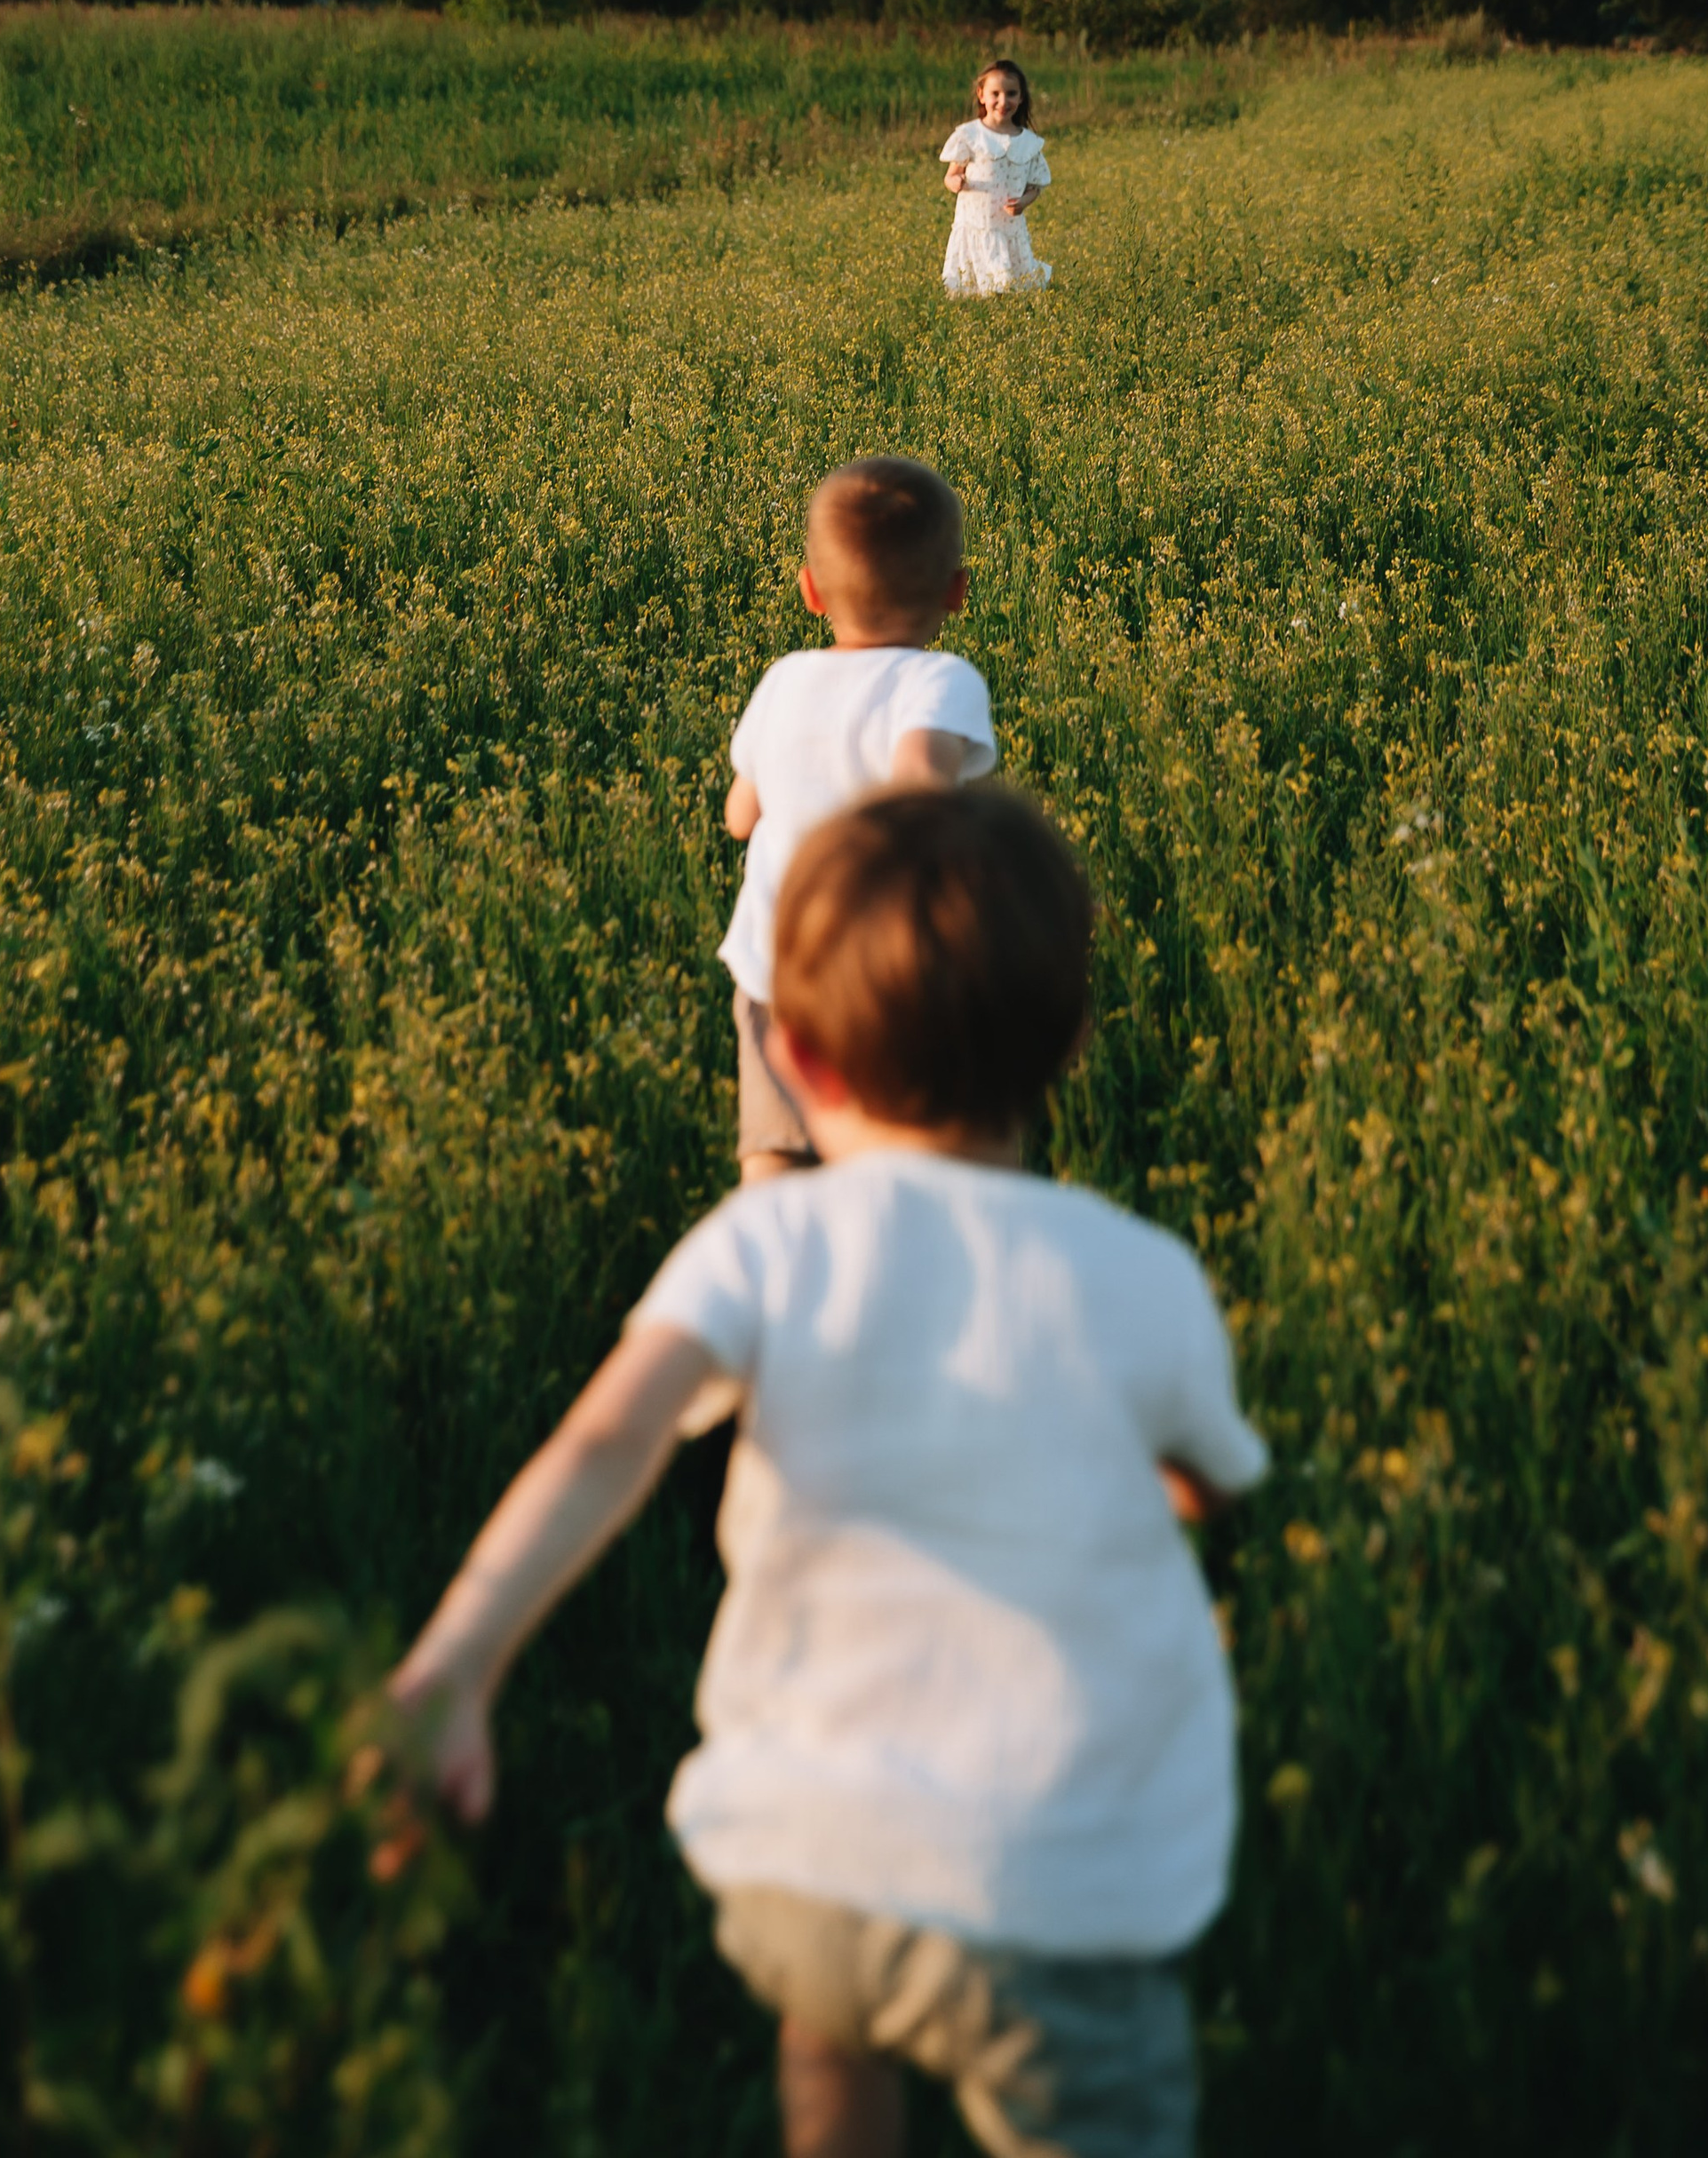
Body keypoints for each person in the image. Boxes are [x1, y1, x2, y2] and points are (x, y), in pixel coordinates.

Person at [388, 786, 1267, 2158]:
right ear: (1073, 1048)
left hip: (799, 1867)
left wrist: (457, 1664)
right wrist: (1174, 1498)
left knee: (832, 2013)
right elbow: (1210, 1478)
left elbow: (607, 1443)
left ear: (796, 1057)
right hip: (1051, 1896)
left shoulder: (760, 1247)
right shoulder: (1142, 1282)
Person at [720, 455, 997, 1181]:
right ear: (956, 592)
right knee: (903, 1147)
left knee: (775, 1148)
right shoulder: (939, 680)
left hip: (776, 961)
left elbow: (739, 816)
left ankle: (767, 1263)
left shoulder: (782, 681)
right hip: (885, 958)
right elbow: (920, 785)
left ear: (811, 592)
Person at [941, 58, 1053, 298]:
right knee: (974, 289)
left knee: (1010, 287)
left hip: (1009, 228)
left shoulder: (1028, 142)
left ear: (1021, 98)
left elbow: (1036, 186)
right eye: (996, 93)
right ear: (981, 95)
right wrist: (955, 183)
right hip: (975, 224)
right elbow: (951, 175)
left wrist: (1024, 202)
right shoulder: (970, 135)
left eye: (1011, 93)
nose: (1003, 101)